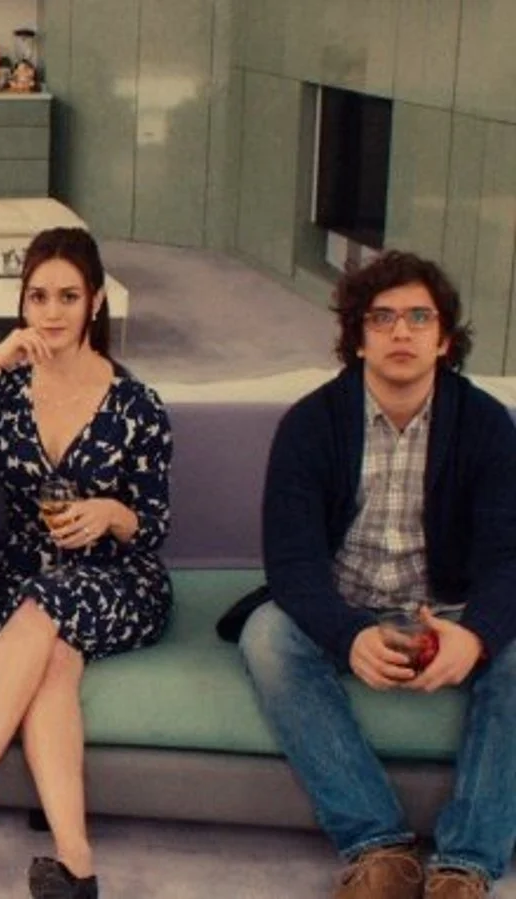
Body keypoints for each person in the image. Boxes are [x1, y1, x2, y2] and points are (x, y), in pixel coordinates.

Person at [237, 251, 516, 899]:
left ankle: (465, 865)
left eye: (420, 317)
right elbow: (291, 561)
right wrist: (347, 633)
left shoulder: (486, 425)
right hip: (345, 604)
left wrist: (476, 635)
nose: (401, 332)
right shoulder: (310, 424)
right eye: (382, 317)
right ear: (357, 338)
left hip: (449, 609)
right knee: (267, 637)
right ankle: (380, 847)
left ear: (444, 340)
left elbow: (509, 556)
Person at [0, 227, 173, 899]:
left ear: (96, 302)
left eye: (68, 296)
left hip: (117, 578)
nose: (52, 312)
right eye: (38, 296)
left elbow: (152, 524)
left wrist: (110, 512)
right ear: (22, 303)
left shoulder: (137, 405)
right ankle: (75, 862)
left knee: (48, 609)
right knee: (53, 655)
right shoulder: (5, 391)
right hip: (22, 571)